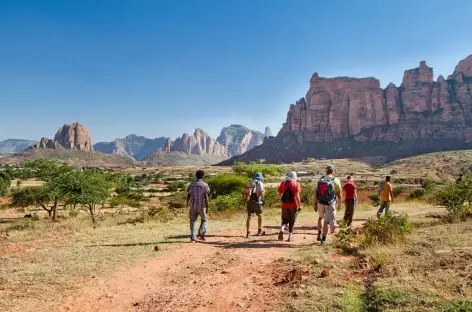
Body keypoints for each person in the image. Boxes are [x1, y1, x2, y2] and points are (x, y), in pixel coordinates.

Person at [314, 165, 342, 243]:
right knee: (326, 221)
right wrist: (340, 204)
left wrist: (315, 203)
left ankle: (319, 233)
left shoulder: (321, 179)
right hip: (330, 203)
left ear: (326, 171)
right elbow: (339, 194)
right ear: (332, 171)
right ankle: (323, 239)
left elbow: (315, 192)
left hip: (320, 202)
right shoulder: (336, 180)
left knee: (320, 218)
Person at [186, 170, 210, 243]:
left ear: (196, 176)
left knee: (193, 221)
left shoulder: (191, 185)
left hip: (193, 206)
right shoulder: (205, 185)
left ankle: (193, 237)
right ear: (203, 176)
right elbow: (206, 196)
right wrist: (207, 207)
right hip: (202, 206)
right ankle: (201, 235)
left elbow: (188, 194)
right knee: (204, 220)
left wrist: (187, 203)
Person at [277, 171, 301, 242]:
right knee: (292, 221)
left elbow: (279, 193)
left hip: (284, 205)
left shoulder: (283, 183)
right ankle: (289, 236)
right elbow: (297, 196)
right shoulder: (296, 183)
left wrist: (282, 199)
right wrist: (299, 205)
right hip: (293, 205)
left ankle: (282, 229)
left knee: (284, 220)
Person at [244, 172, 265, 238]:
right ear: (260, 178)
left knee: (249, 216)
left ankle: (248, 232)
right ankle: (259, 230)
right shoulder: (260, 183)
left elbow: (245, 192)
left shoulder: (250, 182)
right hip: (257, 202)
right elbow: (261, 192)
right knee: (260, 215)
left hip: (249, 202)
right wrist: (263, 199)